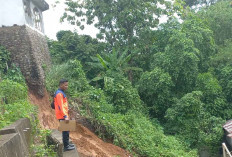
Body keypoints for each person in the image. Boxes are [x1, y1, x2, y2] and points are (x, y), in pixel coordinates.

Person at [54, 79, 75, 151]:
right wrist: (65, 116)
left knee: (67, 130)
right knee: (65, 131)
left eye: (67, 85)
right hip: (62, 115)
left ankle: (67, 144)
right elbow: (60, 106)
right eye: (65, 85)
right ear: (61, 84)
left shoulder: (61, 92)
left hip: (64, 114)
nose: (67, 86)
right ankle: (66, 147)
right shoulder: (59, 93)